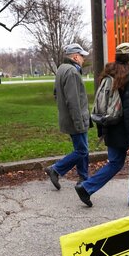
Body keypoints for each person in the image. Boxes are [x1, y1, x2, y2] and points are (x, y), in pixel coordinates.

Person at [74, 42, 129, 208]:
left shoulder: (108, 76)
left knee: (115, 163)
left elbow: (101, 104)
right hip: (125, 131)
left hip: (110, 126)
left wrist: (102, 130)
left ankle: (86, 187)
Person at [44, 43, 90, 190]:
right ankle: (56, 169)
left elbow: (56, 94)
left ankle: (83, 178)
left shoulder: (61, 69)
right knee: (82, 150)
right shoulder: (71, 72)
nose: (83, 59)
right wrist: (79, 123)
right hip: (76, 119)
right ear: (75, 57)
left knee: (82, 149)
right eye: (82, 56)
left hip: (70, 117)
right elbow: (73, 101)